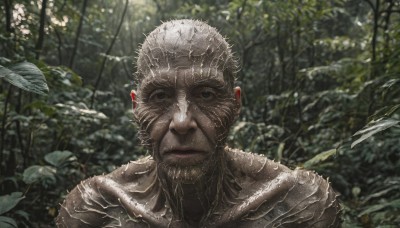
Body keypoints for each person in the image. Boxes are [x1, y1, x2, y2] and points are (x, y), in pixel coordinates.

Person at [56, 19, 340, 227]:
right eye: (159, 96)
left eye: (206, 94)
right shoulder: (94, 209)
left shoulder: (301, 204)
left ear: (236, 102)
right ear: (135, 106)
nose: (181, 122)